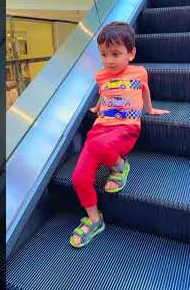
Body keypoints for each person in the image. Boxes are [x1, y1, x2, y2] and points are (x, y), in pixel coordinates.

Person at [70, 21, 170, 248]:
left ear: (131, 53)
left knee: (97, 145)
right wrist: (97, 108)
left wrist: (150, 109)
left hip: (126, 128)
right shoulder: (101, 75)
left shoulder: (139, 72)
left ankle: (119, 166)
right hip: (101, 129)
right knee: (79, 178)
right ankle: (95, 219)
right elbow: (104, 93)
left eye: (115, 54)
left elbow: (144, 90)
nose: (109, 60)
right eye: (104, 54)